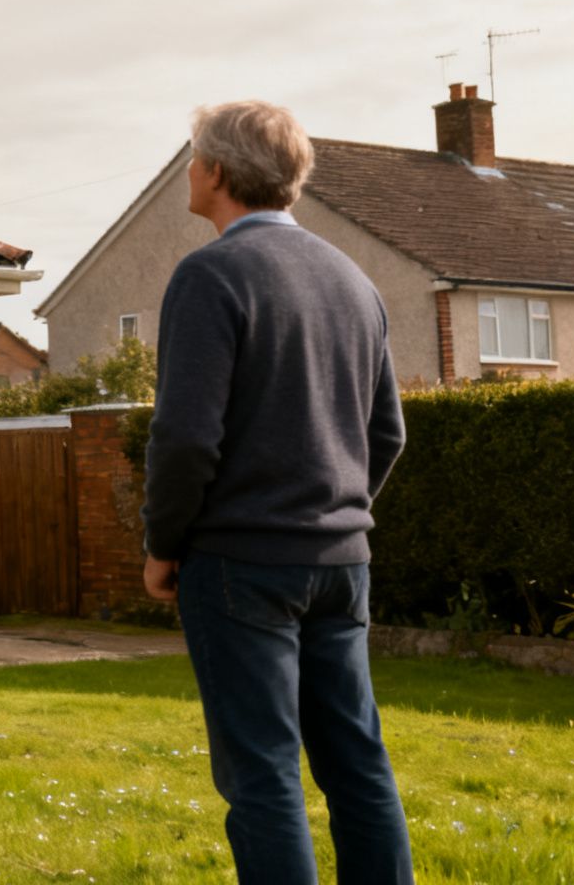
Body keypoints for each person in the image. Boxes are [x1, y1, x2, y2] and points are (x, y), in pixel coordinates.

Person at [142, 101, 414, 884]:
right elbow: (386, 432)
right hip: (342, 563)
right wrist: (335, 520)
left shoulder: (210, 274)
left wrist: (163, 547)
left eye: (193, 157)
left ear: (218, 172)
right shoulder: (351, 278)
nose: (187, 171)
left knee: (263, 775)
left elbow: (186, 438)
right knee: (357, 763)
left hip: (240, 564)